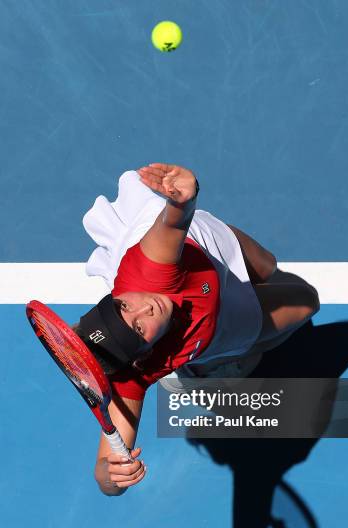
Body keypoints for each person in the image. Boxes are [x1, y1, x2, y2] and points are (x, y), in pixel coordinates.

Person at [75, 163, 320, 496]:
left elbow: (173, 223)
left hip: (206, 256)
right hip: (218, 326)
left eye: (122, 305)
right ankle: (204, 365)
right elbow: (106, 474)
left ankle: (208, 354)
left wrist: (182, 201)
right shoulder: (135, 374)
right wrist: (110, 476)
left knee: (268, 265)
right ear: (140, 358)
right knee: (307, 301)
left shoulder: (149, 271)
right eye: (138, 329)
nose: (143, 307)